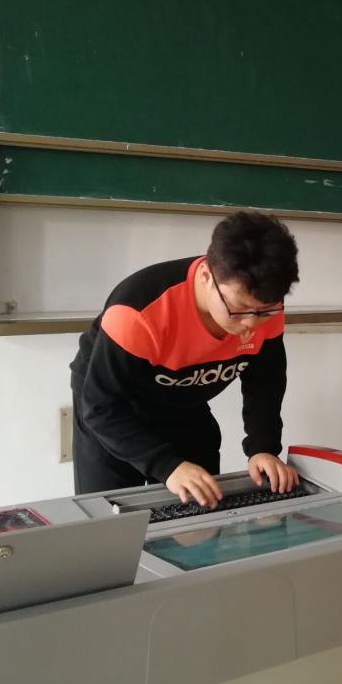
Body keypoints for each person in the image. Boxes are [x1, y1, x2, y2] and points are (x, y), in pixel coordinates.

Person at [69, 211, 301, 505]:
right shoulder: (140, 311)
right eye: (239, 309)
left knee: (200, 509)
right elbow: (100, 407)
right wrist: (168, 467)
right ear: (206, 276)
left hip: (183, 400)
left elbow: (265, 381)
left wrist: (263, 447)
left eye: (265, 311)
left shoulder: (264, 305)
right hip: (115, 408)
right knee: (108, 516)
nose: (251, 324)